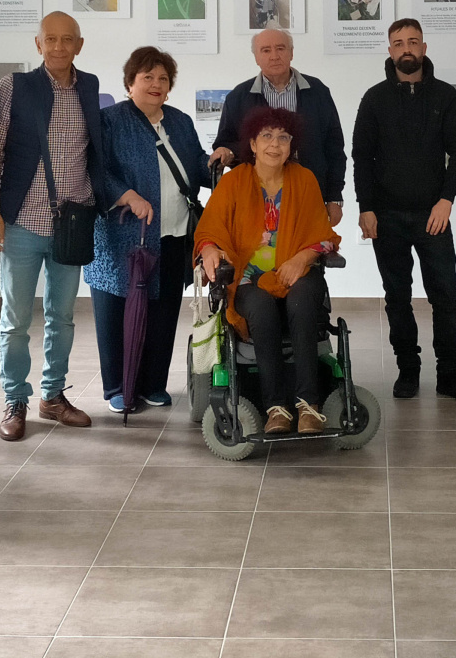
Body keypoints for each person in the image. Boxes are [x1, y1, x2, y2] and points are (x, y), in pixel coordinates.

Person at [0, 11, 107, 442]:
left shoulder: (89, 87)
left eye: (66, 40)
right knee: (15, 319)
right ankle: (15, 399)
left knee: (63, 316)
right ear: (38, 44)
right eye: (50, 39)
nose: (58, 47)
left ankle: (53, 396)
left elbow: (94, 152)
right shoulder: (15, 87)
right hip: (21, 220)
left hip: (71, 223)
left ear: (79, 44)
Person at [352, 19, 456, 404]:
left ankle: (450, 374)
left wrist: (446, 200)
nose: (405, 49)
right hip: (386, 216)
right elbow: (361, 157)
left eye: (412, 42)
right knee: (397, 297)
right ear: (389, 51)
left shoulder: (445, 96)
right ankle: (408, 370)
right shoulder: (374, 98)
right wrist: (366, 207)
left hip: (433, 214)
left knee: (444, 295)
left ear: (423, 47)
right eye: (397, 43)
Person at [196, 107, 341, 435]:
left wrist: (302, 259)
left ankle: (309, 406)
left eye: (283, 137)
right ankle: (276, 408)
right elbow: (210, 231)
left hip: (299, 272)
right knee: (260, 308)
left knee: (302, 302)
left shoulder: (304, 179)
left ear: (292, 144)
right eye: (267, 136)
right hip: (248, 277)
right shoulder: (234, 182)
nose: (275, 144)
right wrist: (208, 249)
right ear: (253, 142)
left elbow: (325, 239)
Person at [85, 47, 209, 414]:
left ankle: (154, 383)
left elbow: (196, 167)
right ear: (129, 83)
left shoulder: (180, 121)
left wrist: (216, 162)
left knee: (164, 310)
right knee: (117, 312)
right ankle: (119, 388)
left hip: (173, 234)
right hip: (122, 237)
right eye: (147, 78)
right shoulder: (110, 120)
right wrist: (126, 195)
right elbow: (96, 169)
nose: (156, 85)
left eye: (163, 79)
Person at [211, 28, 348, 225]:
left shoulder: (317, 91)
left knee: (310, 252)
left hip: (309, 196)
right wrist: (226, 152)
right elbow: (226, 144)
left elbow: (334, 148)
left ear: (291, 53)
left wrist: (334, 197)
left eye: (280, 48)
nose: (274, 56)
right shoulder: (239, 97)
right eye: (266, 50)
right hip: (256, 201)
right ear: (256, 57)